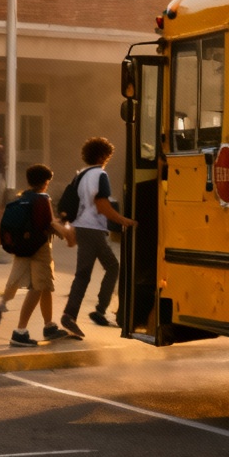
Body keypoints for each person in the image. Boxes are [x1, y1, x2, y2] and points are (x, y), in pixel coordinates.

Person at [0, 163, 76, 347]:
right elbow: (50, 224)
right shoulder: (42, 199)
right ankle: (20, 332)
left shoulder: (22, 198)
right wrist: (67, 233)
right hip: (40, 248)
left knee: (44, 287)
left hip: (23, 247)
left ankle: (49, 325)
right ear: (45, 182)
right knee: (37, 288)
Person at [59, 136, 136, 338]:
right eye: (108, 155)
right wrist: (124, 220)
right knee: (111, 267)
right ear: (103, 155)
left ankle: (77, 313)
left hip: (82, 227)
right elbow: (102, 205)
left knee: (84, 273)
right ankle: (94, 311)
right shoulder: (100, 175)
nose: (108, 158)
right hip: (92, 229)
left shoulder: (81, 174)